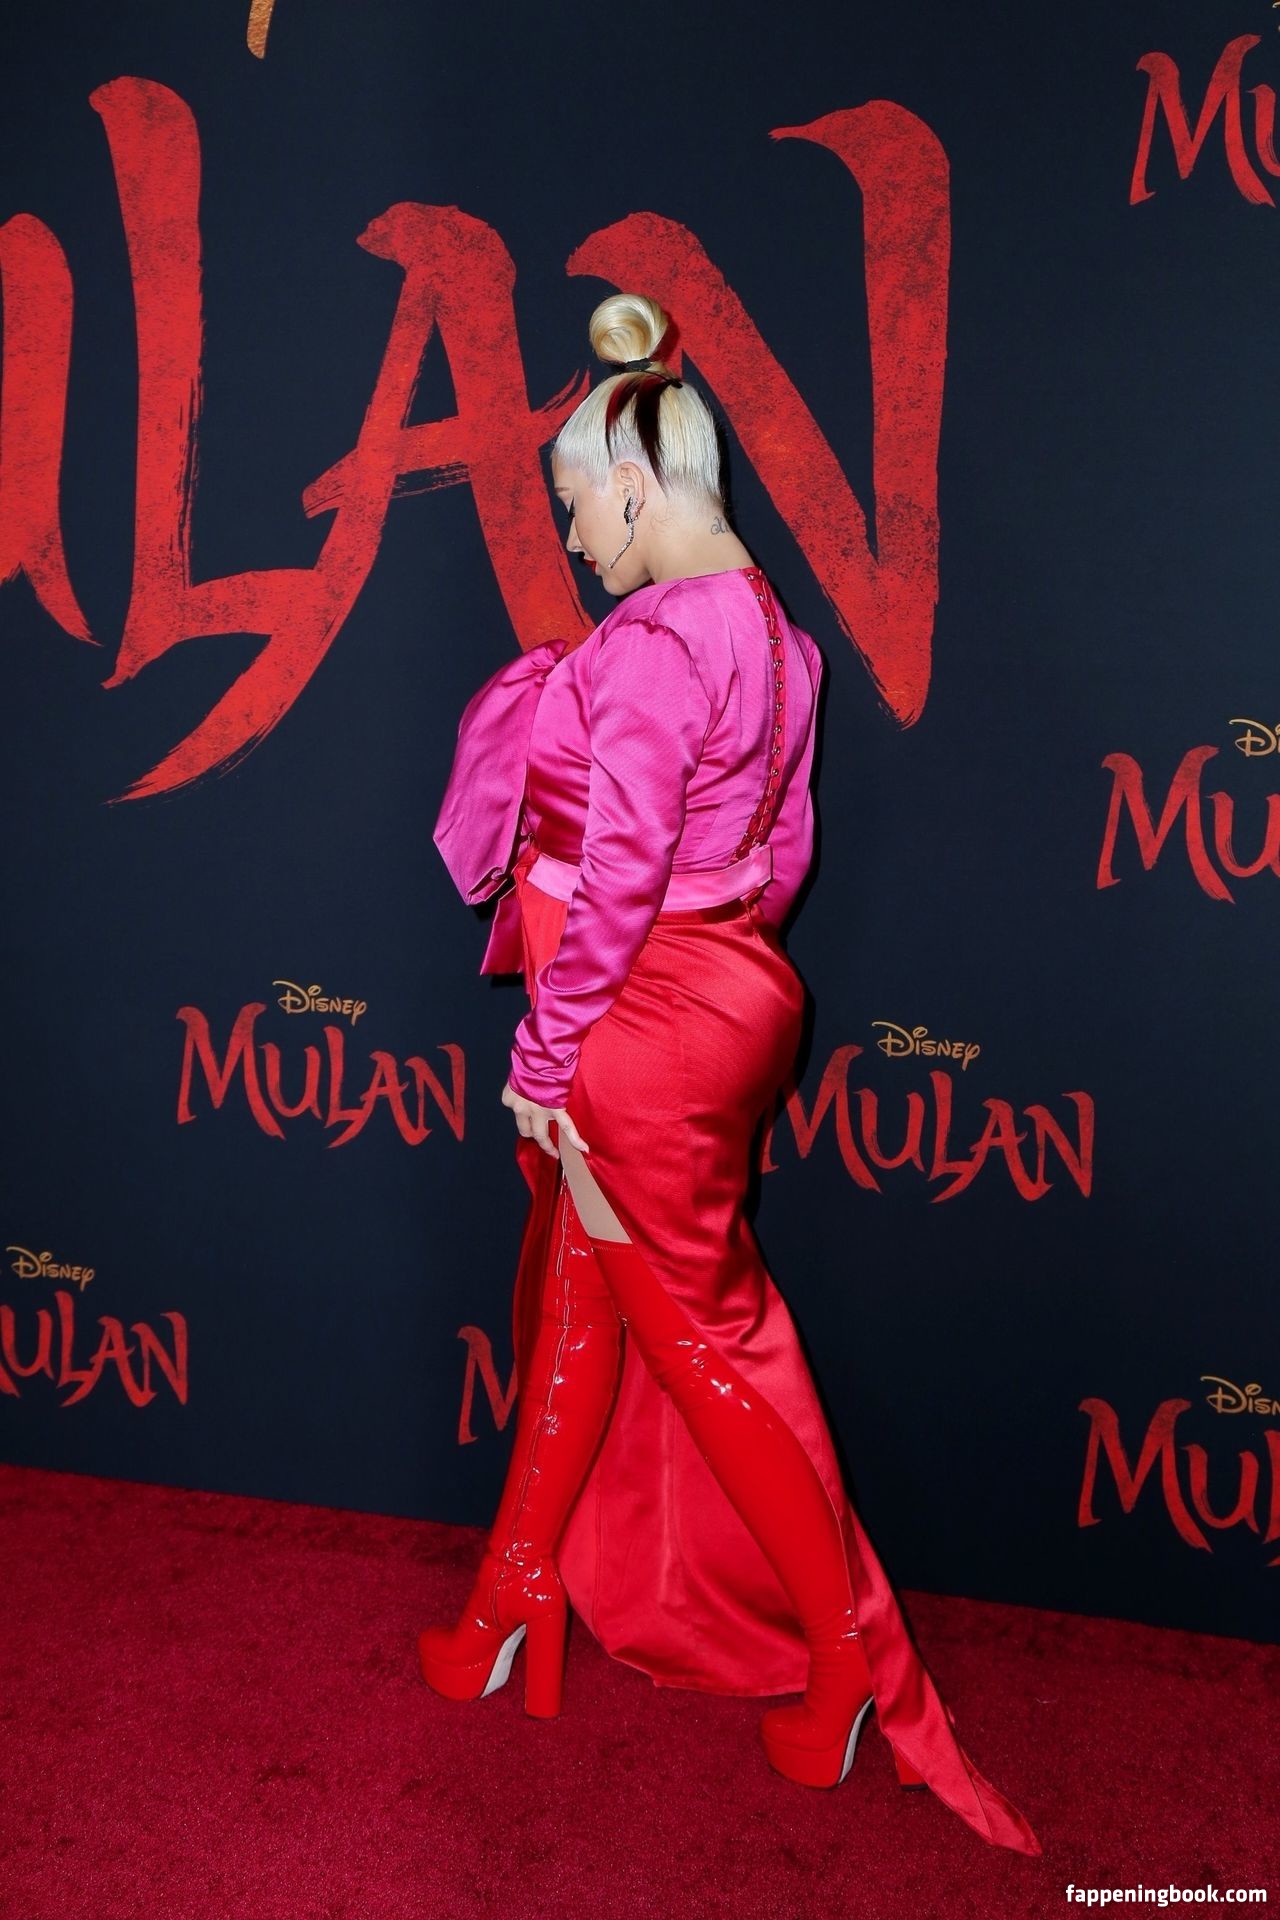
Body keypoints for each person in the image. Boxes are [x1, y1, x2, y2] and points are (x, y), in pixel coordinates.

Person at [422, 293, 1040, 1856]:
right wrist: (719, 974)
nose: (576, 544)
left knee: (710, 1349)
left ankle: (846, 1671)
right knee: (588, 1294)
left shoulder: (649, 646)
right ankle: (509, 1598)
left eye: (577, 508)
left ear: (635, 485)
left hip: (637, 1012)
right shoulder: (783, 636)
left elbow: (623, 873)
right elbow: (786, 847)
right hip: (728, 996)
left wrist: (548, 1050)